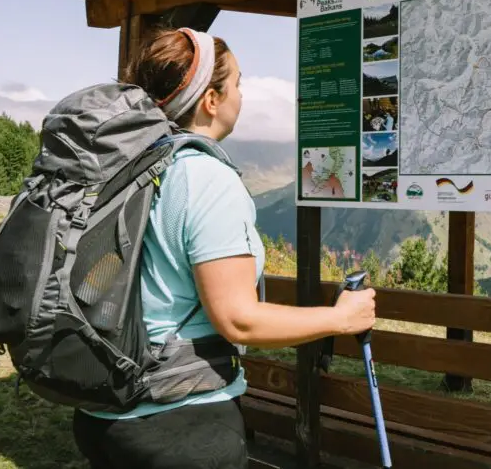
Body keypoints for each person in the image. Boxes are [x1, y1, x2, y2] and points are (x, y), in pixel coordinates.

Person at [71, 26, 376, 468]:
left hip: (104, 410)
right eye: (237, 82)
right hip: (178, 422)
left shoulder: (126, 167)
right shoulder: (203, 177)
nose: (242, 95)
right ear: (211, 100)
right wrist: (341, 318)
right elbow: (238, 320)